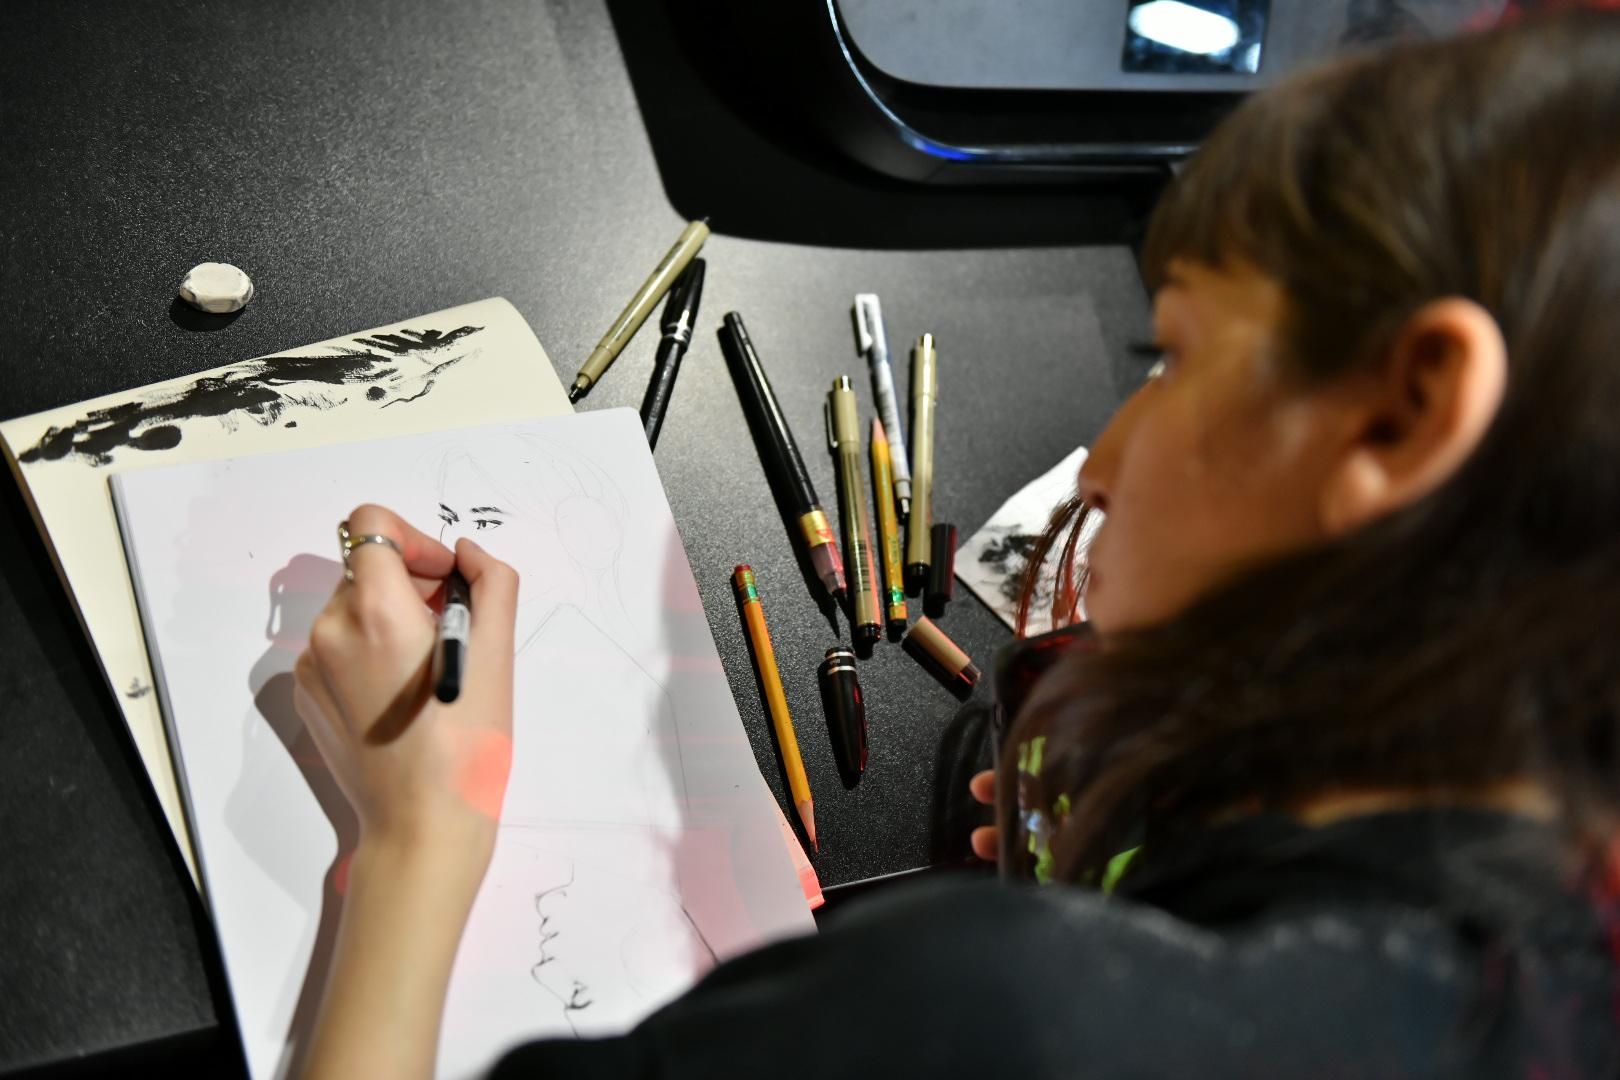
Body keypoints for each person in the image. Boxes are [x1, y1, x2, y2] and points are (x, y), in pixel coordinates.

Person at [290, 11, 1620, 1078]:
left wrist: (416, 834)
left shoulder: (988, 1016)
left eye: (1176, 356)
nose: (1100, 460)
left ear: (1405, 413)